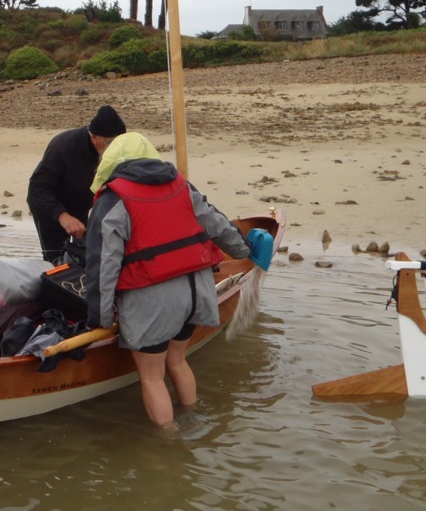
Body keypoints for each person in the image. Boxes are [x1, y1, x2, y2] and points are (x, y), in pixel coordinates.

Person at [84, 132, 266, 429]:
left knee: (152, 376)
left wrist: (101, 318)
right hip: (196, 292)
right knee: (178, 360)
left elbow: (103, 266)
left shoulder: (112, 199)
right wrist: (244, 250)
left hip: (153, 301)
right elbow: (217, 224)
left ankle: (169, 446)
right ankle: (194, 418)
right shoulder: (181, 185)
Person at [26, 105, 126, 263]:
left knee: (86, 258)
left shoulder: (119, 152)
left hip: (81, 205)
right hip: (49, 208)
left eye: (118, 142)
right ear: (94, 138)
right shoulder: (64, 146)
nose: (114, 147)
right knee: (55, 263)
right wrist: (63, 216)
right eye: (109, 142)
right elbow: (36, 190)